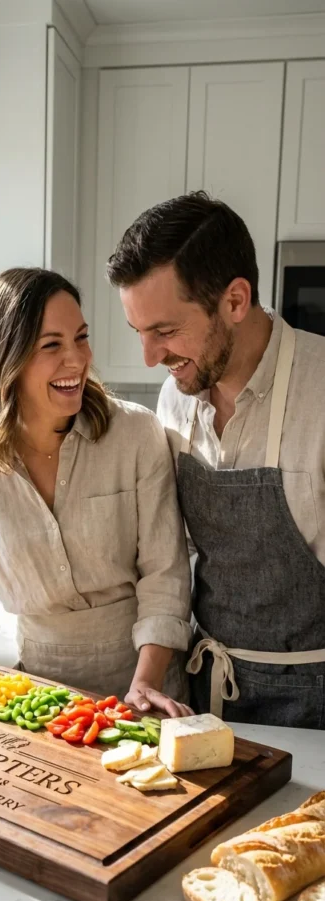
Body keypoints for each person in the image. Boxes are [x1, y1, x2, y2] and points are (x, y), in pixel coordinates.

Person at [0, 267, 192, 716]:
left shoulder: (136, 434)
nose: (77, 360)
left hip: (145, 686)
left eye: (81, 338)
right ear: (7, 358)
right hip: (40, 693)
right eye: (52, 345)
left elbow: (165, 575)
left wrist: (145, 683)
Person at [107, 191, 325, 729]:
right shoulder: (176, 397)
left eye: (165, 331)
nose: (150, 358)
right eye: (140, 333)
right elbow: (172, 557)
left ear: (235, 300)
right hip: (208, 693)